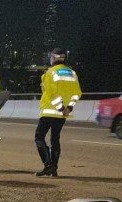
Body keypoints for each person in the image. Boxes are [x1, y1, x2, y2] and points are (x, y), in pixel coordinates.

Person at [34, 48, 82, 178]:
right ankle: (54, 169)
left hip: (50, 111)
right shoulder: (72, 73)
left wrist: (60, 107)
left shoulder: (50, 73)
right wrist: (68, 108)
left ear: (54, 58)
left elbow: (51, 93)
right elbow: (77, 93)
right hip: (62, 114)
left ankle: (47, 165)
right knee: (55, 139)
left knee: (39, 137)